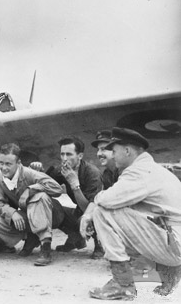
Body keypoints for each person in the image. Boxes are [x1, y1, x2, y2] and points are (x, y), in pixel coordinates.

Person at [80, 127, 181, 300]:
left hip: (175, 244)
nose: (112, 154)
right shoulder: (151, 168)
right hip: (174, 237)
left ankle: (122, 283)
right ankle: (168, 273)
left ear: (127, 151)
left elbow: (107, 200)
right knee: (126, 210)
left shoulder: (138, 171)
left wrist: (88, 214)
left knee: (102, 212)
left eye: (114, 150)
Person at [0, 143, 63, 266]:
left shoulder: (29, 173)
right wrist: (12, 213)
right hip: (29, 216)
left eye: (8, 164)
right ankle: (32, 237)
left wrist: (31, 189)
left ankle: (45, 246)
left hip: (52, 215)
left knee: (39, 197)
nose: (3, 168)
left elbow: (57, 188)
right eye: (1, 163)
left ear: (18, 163)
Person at [32, 135, 103, 258]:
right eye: (62, 154)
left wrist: (75, 185)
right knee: (53, 206)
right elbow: (43, 184)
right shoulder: (60, 170)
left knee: (96, 213)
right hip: (78, 212)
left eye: (69, 154)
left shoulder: (92, 173)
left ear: (80, 156)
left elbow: (90, 208)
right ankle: (75, 238)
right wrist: (36, 171)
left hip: (95, 212)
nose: (64, 158)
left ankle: (99, 244)